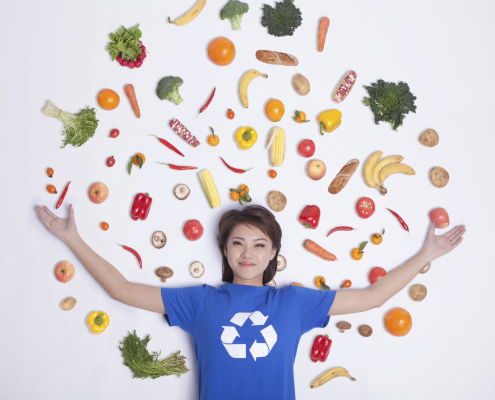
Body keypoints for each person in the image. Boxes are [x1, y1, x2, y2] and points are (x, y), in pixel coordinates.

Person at [36, 203, 465, 400]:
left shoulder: (296, 303)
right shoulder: (201, 302)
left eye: (260, 245)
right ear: (224, 251)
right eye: (237, 243)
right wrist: (73, 238)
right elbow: (123, 290)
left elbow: (372, 297)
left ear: (273, 254)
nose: (248, 253)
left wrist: (427, 254)